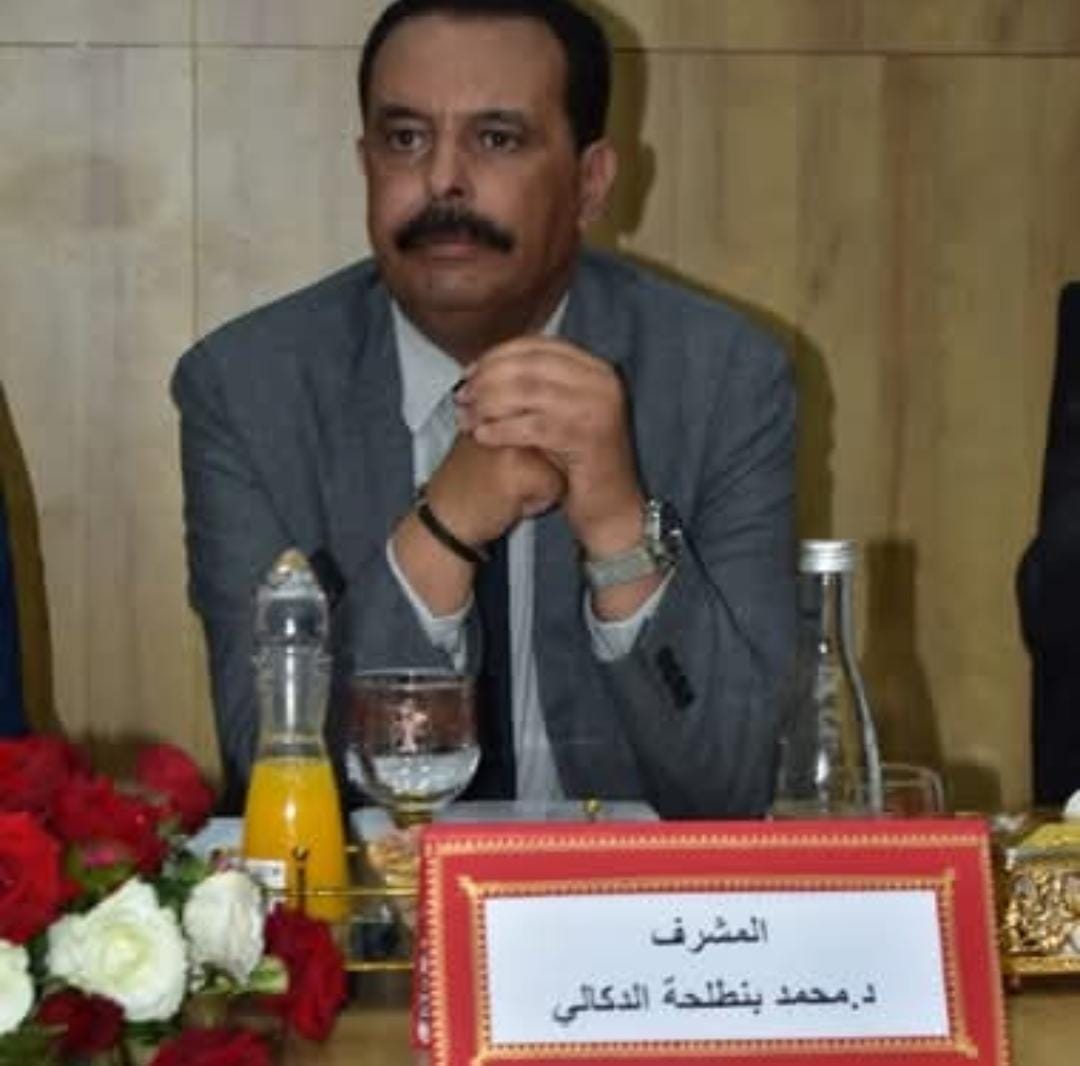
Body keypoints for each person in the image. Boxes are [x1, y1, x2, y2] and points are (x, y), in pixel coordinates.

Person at [173, 0, 796, 819]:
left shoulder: (722, 379)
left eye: (497, 139)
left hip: (627, 897)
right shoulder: (249, 388)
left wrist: (618, 531)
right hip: (373, 902)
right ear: (365, 164)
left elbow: (739, 786)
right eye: (405, 139)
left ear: (589, 183)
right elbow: (277, 771)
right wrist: (443, 530)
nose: (442, 181)